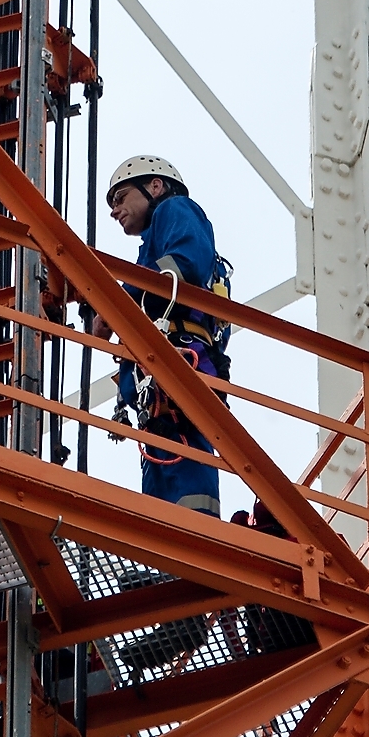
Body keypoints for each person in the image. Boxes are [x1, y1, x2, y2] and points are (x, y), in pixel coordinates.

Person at [97, 154, 232, 516]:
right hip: (158, 384)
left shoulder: (175, 209)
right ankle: (166, 541)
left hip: (180, 363)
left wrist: (116, 301)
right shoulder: (151, 247)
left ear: (155, 186)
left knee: (187, 466)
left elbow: (184, 265)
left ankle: (197, 535)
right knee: (161, 479)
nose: (114, 210)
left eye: (121, 197)